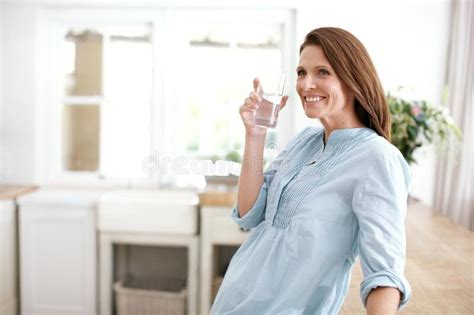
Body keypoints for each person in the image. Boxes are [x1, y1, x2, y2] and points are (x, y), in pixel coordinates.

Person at [210, 27, 411, 315]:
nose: (306, 84)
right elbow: (249, 213)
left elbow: (385, 274)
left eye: (322, 72)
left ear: (353, 79)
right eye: (301, 72)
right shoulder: (305, 141)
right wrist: (255, 134)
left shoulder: (377, 158)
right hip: (233, 302)